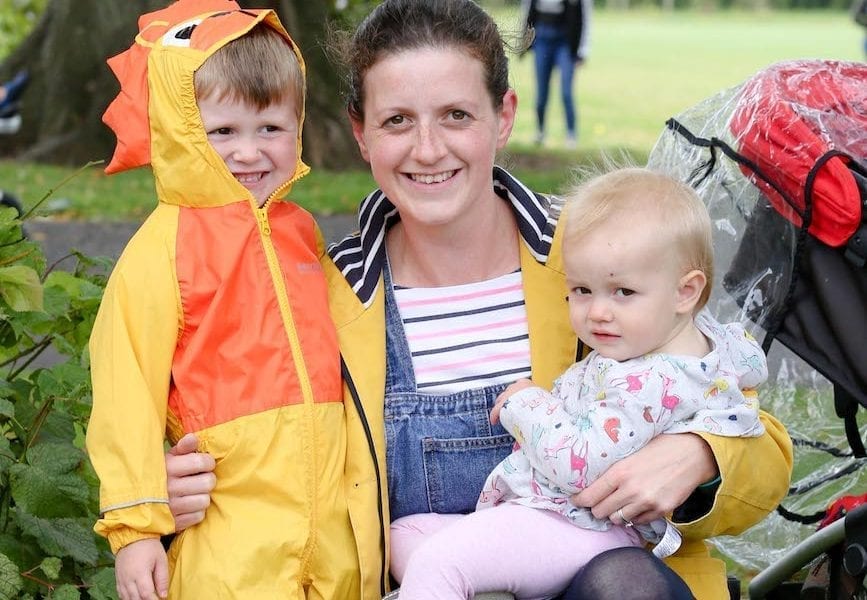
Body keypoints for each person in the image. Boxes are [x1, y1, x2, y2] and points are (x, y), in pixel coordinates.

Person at [162, 1, 794, 599]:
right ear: (360, 133)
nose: (428, 149)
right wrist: (171, 487)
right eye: (397, 121)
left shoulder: (601, 256)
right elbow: (254, 451)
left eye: (456, 115)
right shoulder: (315, 296)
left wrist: (700, 456)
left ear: (505, 114)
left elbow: (755, 439)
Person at [391, 167, 768, 599]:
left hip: (579, 525)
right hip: (547, 515)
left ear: (685, 292)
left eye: (622, 292)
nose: (597, 312)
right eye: (582, 290)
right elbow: (746, 372)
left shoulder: (652, 380)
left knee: (440, 563)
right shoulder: (700, 343)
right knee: (408, 533)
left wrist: (526, 402)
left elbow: (580, 465)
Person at [86, 1, 356, 598]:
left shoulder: (301, 231)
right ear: (183, 131)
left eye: (272, 128)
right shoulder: (164, 248)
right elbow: (124, 384)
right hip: (228, 538)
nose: (251, 152)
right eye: (223, 132)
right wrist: (135, 529)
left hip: (333, 536)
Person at [521, 0, 591, 148]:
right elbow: (527, 9)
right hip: (542, 39)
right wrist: (524, 41)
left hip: (565, 41)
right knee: (541, 94)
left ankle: (571, 134)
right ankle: (540, 131)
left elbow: (585, 15)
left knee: (566, 92)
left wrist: (583, 50)